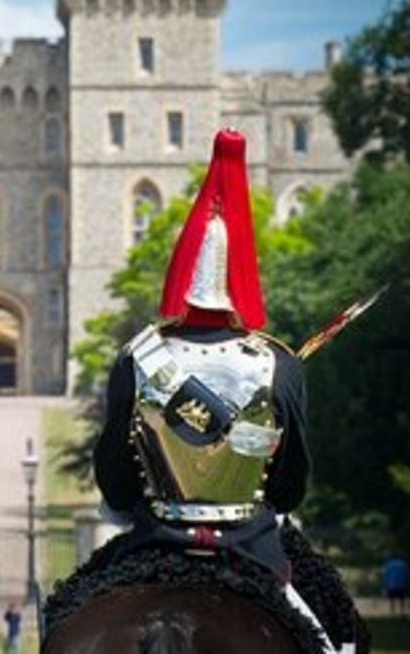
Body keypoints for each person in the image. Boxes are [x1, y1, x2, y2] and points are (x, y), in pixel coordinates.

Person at [92, 128, 345, 647]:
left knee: (65, 613)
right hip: (254, 547)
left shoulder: (138, 359)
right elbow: (290, 484)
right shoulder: (277, 363)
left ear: (181, 274)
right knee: (329, 637)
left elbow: (115, 482)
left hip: (152, 544)